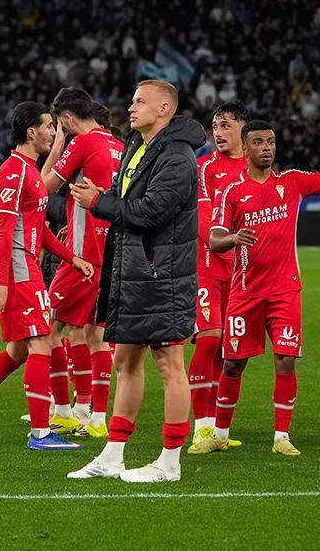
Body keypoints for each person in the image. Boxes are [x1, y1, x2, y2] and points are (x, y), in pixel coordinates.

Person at [192, 109, 320, 457]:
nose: (266, 147)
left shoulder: (291, 181)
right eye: (258, 142)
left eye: (271, 141)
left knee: (285, 360)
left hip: (284, 290)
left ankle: (281, 436)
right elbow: (214, 239)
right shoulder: (232, 191)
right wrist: (233, 238)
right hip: (245, 292)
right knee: (232, 364)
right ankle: (219, 434)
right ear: (245, 148)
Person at [66, 79, 207, 483]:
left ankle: (170, 462)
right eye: (132, 100)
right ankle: (112, 456)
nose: (130, 107)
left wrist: (98, 202)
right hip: (132, 271)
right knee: (125, 361)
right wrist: (105, 194)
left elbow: (150, 212)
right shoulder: (137, 145)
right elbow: (127, 198)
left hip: (163, 273)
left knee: (169, 363)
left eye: (140, 101)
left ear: (164, 109)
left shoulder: (178, 156)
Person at [0, 101, 94, 451]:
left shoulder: (29, 171)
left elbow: (39, 230)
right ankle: (40, 433)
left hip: (24, 267)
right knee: (41, 343)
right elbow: (5, 232)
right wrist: (2, 283)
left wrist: (72, 258)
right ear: (31, 132)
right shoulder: (13, 172)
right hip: (17, 270)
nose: (52, 132)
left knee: (17, 351)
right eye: (48, 126)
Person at [39, 87, 124, 438]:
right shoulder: (118, 145)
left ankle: (62, 411)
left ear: (67, 119)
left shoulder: (82, 143)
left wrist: (58, 147)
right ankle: (94, 415)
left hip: (82, 255)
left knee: (46, 326)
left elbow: (42, 188)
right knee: (94, 334)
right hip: (113, 253)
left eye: (60, 125)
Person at [187, 101, 249, 450]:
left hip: (242, 273)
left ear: (244, 129)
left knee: (230, 350)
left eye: (226, 125)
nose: (218, 132)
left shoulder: (255, 170)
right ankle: (202, 427)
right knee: (210, 340)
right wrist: (231, 241)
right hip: (207, 266)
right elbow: (204, 225)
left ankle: (219, 429)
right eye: (215, 125)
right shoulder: (204, 168)